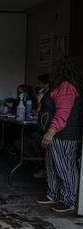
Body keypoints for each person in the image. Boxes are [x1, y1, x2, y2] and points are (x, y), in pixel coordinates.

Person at [36, 56, 83, 213]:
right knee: (52, 165)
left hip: (64, 134)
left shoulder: (66, 87)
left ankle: (69, 200)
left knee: (65, 167)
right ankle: (53, 193)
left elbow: (62, 113)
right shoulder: (60, 86)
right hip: (56, 134)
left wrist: (50, 132)